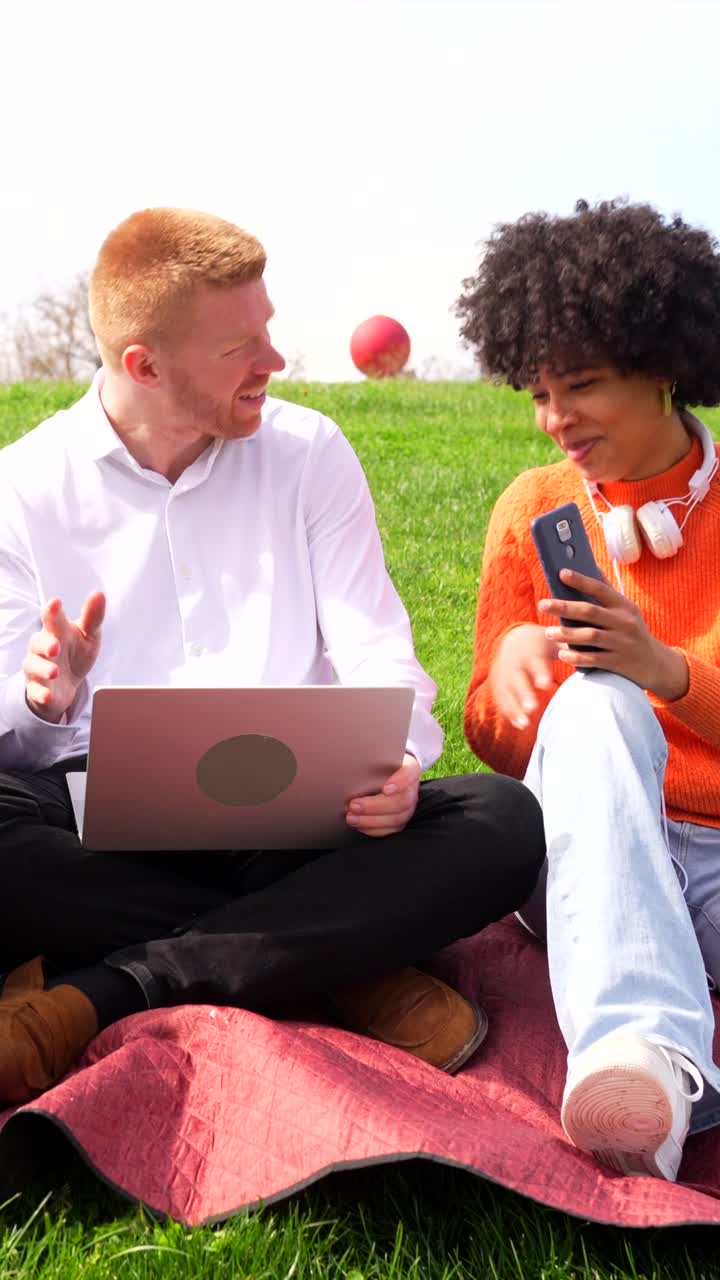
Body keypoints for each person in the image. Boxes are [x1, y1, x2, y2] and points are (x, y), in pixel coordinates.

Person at [0, 207, 544, 1106]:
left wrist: (401, 761)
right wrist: (45, 697)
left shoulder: (309, 452)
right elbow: (16, 740)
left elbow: (380, 653)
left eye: (270, 332)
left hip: (303, 819)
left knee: (503, 822)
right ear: (145, 365)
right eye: (241, 347)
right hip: (109, 828)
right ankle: (337, 960)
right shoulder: (22, 487)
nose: (276, 363)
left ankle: (109, 988)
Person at [456, 197, 720, 1182]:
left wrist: (670, 669)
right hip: (580, 849)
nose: (554, 418)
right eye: (537, 391)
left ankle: (673, 1082)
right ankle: (631, 1052)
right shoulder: (533, 509)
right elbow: (492, 738)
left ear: (664, 367)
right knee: (598, 700)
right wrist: (517, 679)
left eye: (582, 386)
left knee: (624, 683)